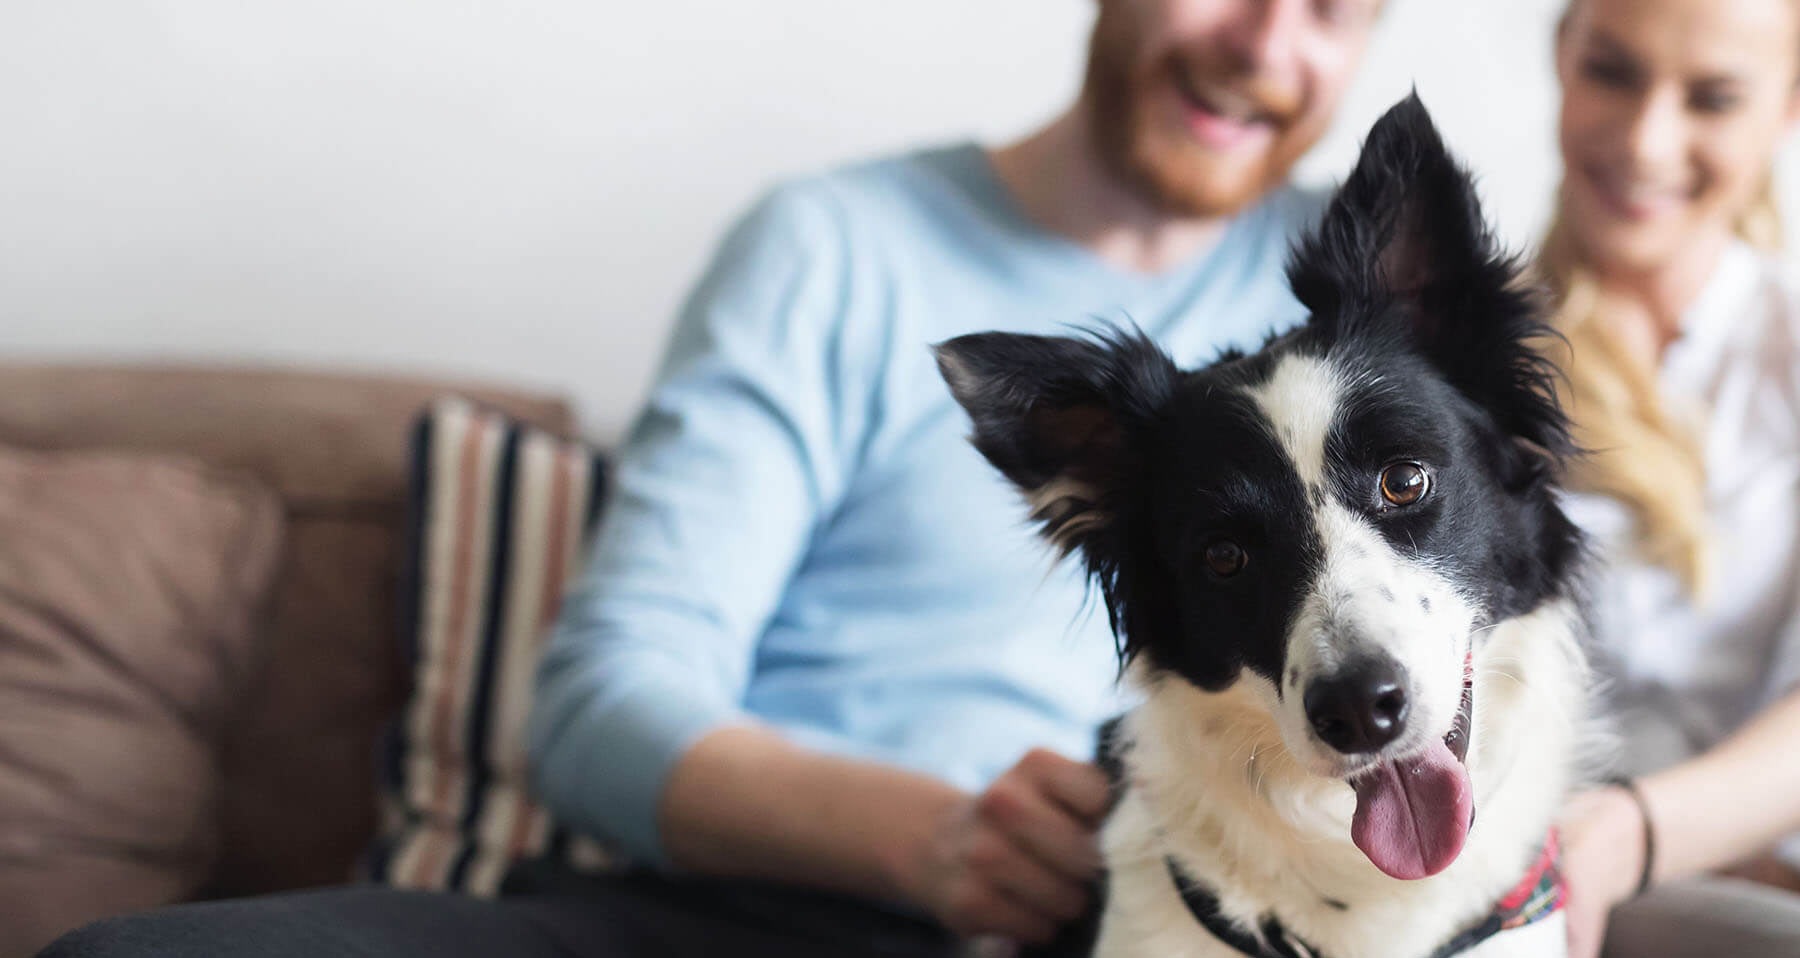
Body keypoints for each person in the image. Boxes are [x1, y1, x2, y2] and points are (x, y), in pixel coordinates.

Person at [39, 2, 1385, 956]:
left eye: (1329, 7)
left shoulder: (1357, 305)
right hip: (742, 905)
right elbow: (600, 701)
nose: (1266, 43)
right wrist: (930, 838)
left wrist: (1613, 811)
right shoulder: (837, 248)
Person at [1538, 1, 1800, 956]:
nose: (1646, 142)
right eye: (1612, 71)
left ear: (1788, 107)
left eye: (1714, 98)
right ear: (1562, 58)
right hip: (1522, 856)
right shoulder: (1448, 362)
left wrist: (1637, 832)